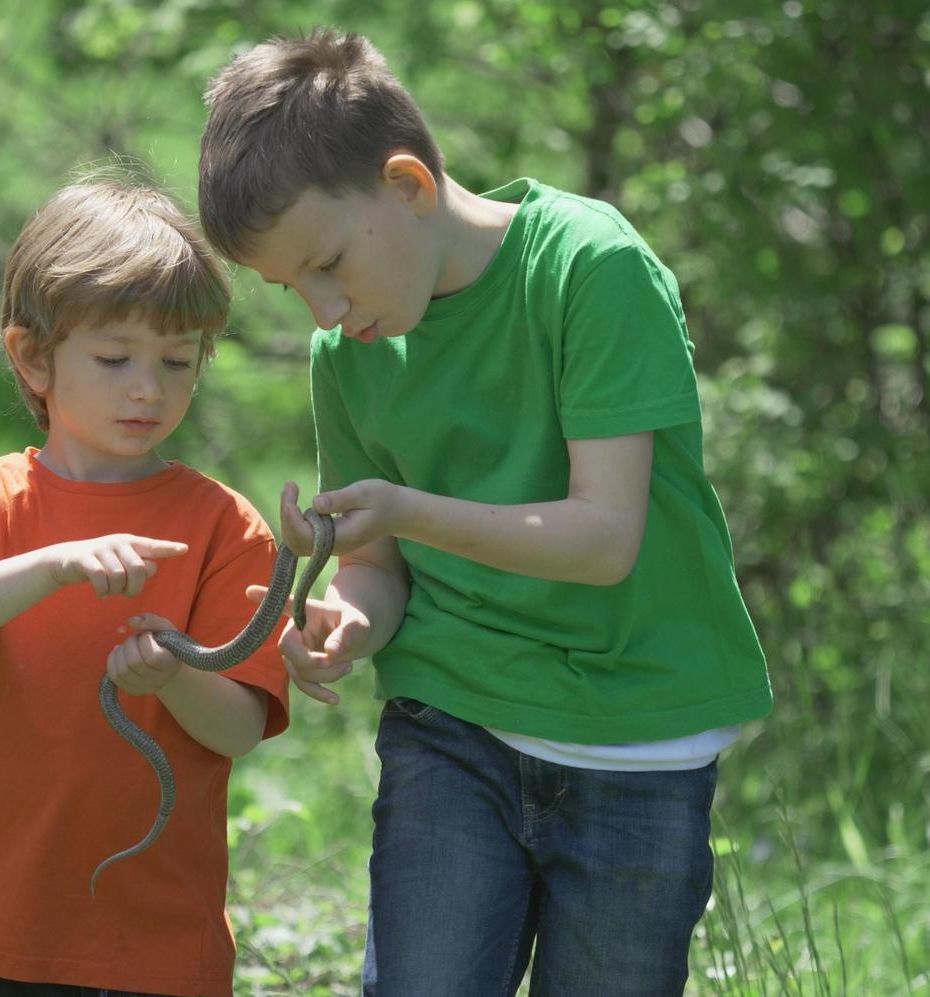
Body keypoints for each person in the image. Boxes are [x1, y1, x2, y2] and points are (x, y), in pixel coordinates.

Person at [197, 28, 773, 997]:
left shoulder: (589, 267)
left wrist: (406, 511)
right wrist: (350, 622)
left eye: (327, 262)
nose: (322, 310)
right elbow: (376, 567)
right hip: (450, 723)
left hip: (636, 743)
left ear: (408, 186)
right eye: (288, 286)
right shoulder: (348, 357)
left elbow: (602, 539)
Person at [0, 174, 291, 997]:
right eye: (114, 357)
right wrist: (56, 562)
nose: (149, 387)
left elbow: (239, 727)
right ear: (33, 356)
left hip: (154, 930)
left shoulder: (224, 527)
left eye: (179, 360)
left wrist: (171, 675)